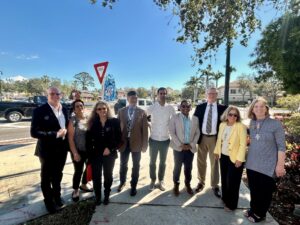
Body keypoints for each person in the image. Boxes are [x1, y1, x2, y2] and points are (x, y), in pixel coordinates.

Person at [244, 97, 286, 223]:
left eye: (262, 106)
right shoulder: (251, 123)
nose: (259, 108)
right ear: (252, 109)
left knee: (265, 191)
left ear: (266, 108)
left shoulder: (275, 124)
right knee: (254, 189)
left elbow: (281, 146)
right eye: (256, 106)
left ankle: (260, 214)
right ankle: (253, 209)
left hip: (268, 164)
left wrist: (280, 165)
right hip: (252, 163)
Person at [30, 87, 69, 214]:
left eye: (57, 94)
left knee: (58, 175)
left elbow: (67, 126)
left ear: (61, 95)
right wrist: (55, 134)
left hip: (62, 150)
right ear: (47, 95)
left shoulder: (65, 109)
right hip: (47, 151)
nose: (55, 96)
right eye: (51, 94)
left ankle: (57, 197)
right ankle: (48, 201)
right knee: (46, 178)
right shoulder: (39, 111)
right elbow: (34, 132)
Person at [86, 101, 122, 205]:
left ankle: (106, 195)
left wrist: (110, 148)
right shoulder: (92, 123)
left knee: (108, 176)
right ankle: (97, 196)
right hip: (95, 154)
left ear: (107, 109)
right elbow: (88, 141)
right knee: (96, 177)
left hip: (109, 155)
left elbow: (119, 139)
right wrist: (90, 155)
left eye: (104, 108)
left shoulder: (115, 121)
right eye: (99, 109)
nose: (102, 110)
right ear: (96, 111)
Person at [193, 87, 227, 198]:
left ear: (217, 95)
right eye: (209, 93)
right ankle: (201, 182)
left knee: (215, 163)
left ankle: (215, 185)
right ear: (206, 94)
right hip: (202, 138)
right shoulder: (200, 107)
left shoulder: (223, 108)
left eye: (214, 93)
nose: (211, 95)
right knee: (201, 161)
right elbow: (194, 123)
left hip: (215, 139)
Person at [213, 106, 247, 211]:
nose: (232, 116)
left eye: (235, 115)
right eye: (230, 114)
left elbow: (243, 144)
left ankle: (232, 205)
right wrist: (216, 151)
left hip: (235, 158)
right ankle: (225, 198)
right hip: (223, 156)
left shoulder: (241, 126)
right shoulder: (222, 125)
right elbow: (219, 140)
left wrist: (240, 159)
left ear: (237, 117)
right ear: (226, 115)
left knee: (233, 182)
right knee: (224, 179)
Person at [117, 91, 148, 196]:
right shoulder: (121, 111)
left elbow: (145, 131)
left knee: (136, 166)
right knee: (123, 164)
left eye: (136, 98)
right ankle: (122, 182)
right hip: (124, 143)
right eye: (132, 98)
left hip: (137, 144)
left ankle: (133, 185)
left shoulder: (142, 112)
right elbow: (117, 129)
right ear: (127, 98)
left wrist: (144, 145)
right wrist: (116, 142)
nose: (134, 100)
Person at [146, 87, 176, 191]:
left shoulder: (170, 108)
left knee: (163, 162)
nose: (163, 95)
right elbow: (143, 116)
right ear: (157, 95)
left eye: (164, 93)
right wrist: (148, 125)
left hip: (165, 140)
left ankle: (161, 180)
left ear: (166, 95)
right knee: (152, 162)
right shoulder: (152, 107)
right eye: (161, 93)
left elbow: (175, 121)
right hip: (153, 139)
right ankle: (153, 180)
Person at [169, 100, 200, 196]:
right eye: (183, 106)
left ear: (191, 107)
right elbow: (172, 132)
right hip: (179, 148)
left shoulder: (195, 118)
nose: (185, 108)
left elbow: (197, 133)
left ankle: (187, 184)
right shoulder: (174, 117)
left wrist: (192, 144)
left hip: (190, 148)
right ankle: (176, 185)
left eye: (188, 106)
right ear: (180, 107)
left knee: (188, 168)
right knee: (177, 167)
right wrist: (180, 144)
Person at [67, 99, 93, 203]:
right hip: (78, 150)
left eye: (81, 105)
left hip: (89, 150)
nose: (80, 108)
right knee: (78, 170)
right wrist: (75, 153)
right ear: (74, 109)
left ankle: (84, 184)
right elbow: (70, 138)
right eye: (77, 106)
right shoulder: (73, 120)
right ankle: (76, 190)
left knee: (88, 168)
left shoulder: (88, 118)